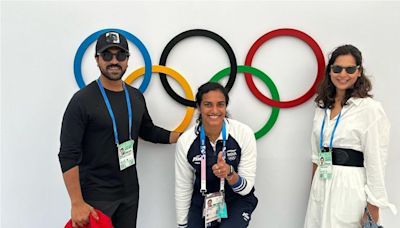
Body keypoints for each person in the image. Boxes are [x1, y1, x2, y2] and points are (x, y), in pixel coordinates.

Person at [58, 31, 180, 228]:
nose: (114, 61)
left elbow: (148, 131)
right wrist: (76, 202)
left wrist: (184, 137)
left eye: (120, 55)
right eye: (107, 55)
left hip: (129, 193)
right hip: (94, 196)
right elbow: (68, 154)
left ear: (127, 60)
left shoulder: (135, 97)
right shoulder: (81, 101)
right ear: (97, 60)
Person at [304, 44, 397, 228]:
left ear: (359, 72)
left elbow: (376, 160)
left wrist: (373, 205)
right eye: (337, 68)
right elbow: (316, 155)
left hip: (349, 187)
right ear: (330, 71)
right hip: (322, 185)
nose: (342, 74)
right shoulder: (322, 108)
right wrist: (314, 189)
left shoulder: (369, 109)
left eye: (350, 69)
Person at [175, 82, 258, 228]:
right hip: (203, 199)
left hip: (237, 199)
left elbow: (246, 188)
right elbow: (183, 186)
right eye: (208, 104)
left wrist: (230, 174)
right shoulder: (186, 141)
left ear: (226, 107)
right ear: (199, 107)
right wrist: (183, 224)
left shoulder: (244, 133)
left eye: (220, 104)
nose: (215, 110)